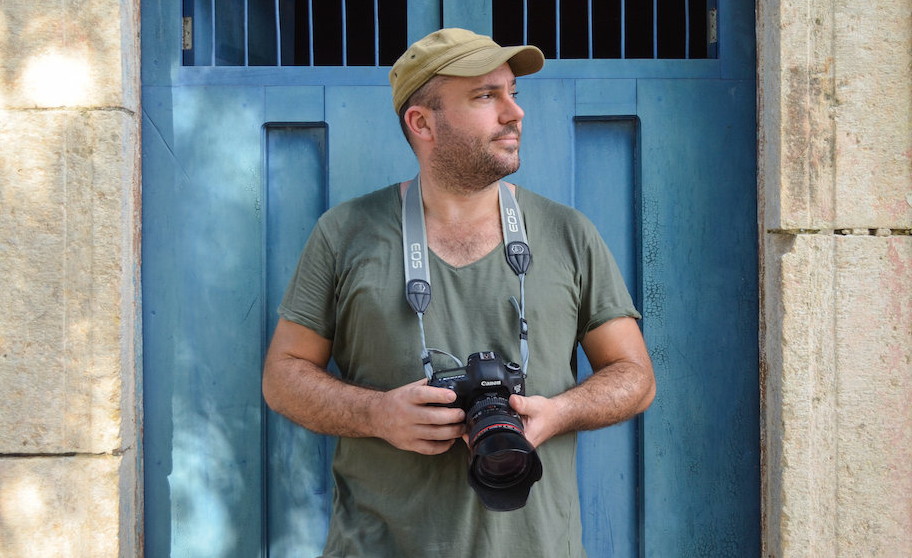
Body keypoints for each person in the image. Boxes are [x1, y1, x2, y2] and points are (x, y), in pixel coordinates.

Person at [263, 28, 656, 558]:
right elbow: (282, 377)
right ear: (422, 122)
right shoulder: (345, 233)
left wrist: (557, 413)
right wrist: (378, 414)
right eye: (486, 96)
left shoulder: (568, 233)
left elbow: (636, 377)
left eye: (513, 93)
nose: (515, 113)